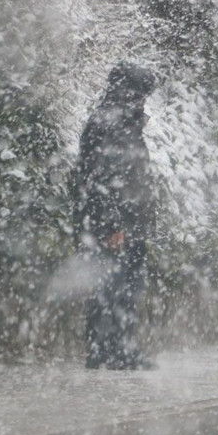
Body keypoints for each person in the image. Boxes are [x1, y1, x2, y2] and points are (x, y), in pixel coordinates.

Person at [72, 62, 161, 370]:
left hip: (125, 222)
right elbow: (100, 177)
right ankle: (114, 349)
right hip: (116, 224)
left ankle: (108, 349)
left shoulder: (121, 122)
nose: (145, 102)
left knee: (117, 286)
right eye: (142, 95)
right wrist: (112, 224)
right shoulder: (110, 124)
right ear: (130, 93)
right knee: (116, 287)